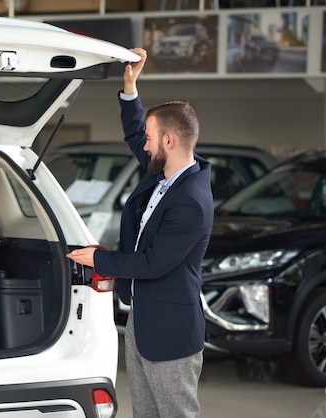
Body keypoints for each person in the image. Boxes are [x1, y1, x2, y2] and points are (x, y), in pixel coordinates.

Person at [66, 48, 213, 418]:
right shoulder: (163, 171)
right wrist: (130, 87)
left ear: (169, 142)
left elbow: (152, 263)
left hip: (171, 333)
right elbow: (135, 133)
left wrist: (98, 258)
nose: (142, 145)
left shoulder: (191, 202)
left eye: (150, 139)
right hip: (143, 321)